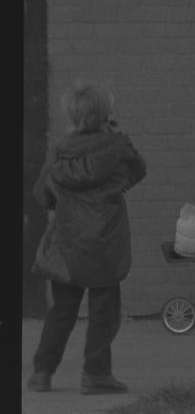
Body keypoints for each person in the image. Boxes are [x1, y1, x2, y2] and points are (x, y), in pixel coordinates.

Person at [27, 81, 148, 394]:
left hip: (67, 246)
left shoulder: (58, 152)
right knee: (104, 314)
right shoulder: (118, 148)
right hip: (105, 247)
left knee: (61, 312)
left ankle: (42, 373)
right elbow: (137, 172)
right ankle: (96, 374)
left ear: (71, 114)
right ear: (107, 113)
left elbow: (42, 196)